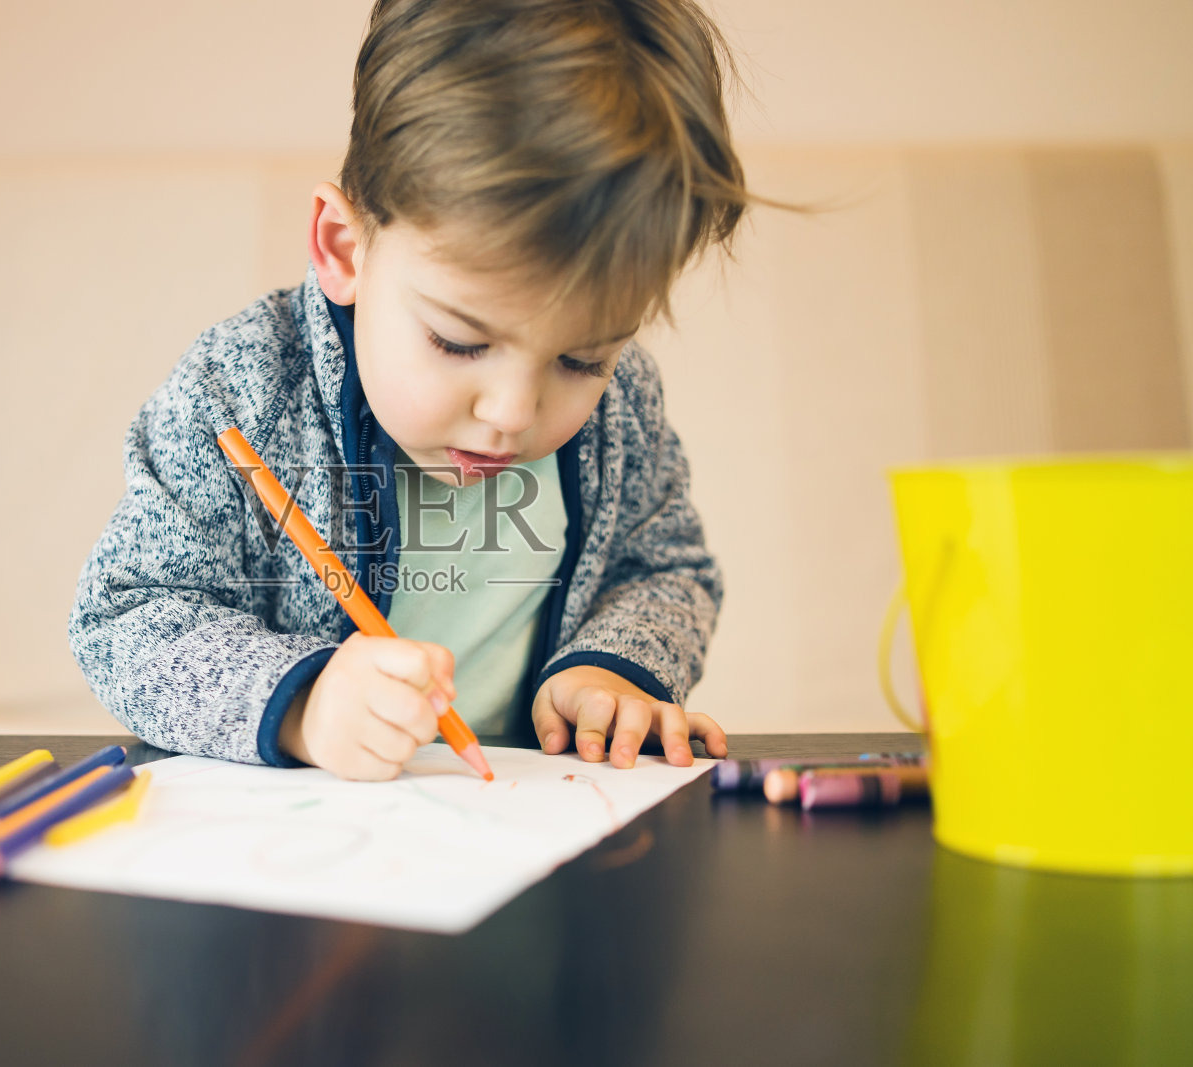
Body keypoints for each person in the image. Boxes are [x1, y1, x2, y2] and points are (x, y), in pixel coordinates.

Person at [71, 0, 750, 780]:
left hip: (534, 837)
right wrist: (303, 704)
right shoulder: (242, 391)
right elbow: (127, 614)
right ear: (344, 246)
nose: (511, 414)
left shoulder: (624, 407)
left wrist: (611, 670)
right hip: (307, 854)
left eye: (581, 361)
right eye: (459, 342)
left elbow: (668, 567)